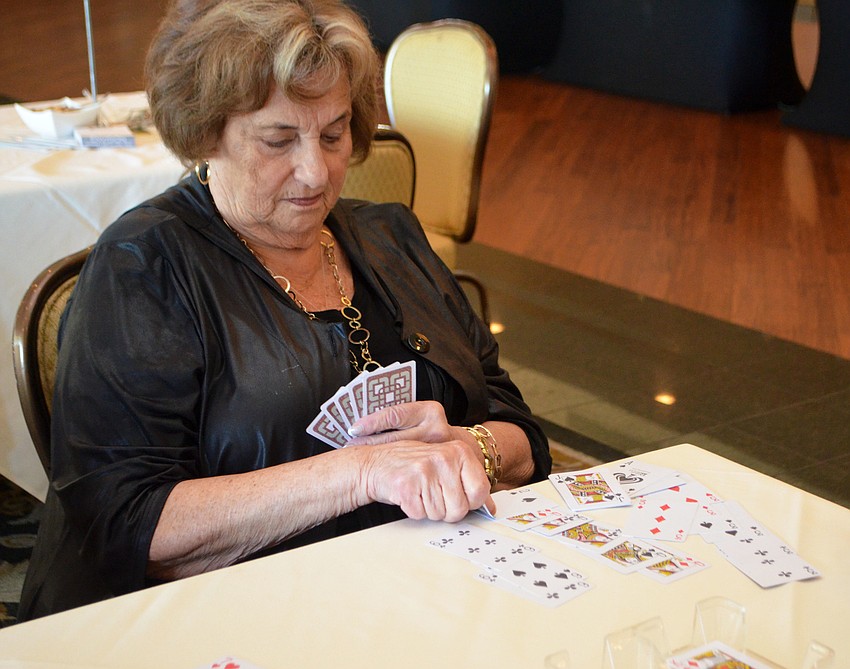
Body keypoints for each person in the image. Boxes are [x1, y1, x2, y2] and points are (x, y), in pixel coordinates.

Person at [19, 0, 550, 620]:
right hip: (224, 617)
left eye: (334, 134)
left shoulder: (392, 236)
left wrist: (471, 448)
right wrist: (360, 473)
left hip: (416, 594)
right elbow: (122, 522)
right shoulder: (147, 263)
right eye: (278, 139)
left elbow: (522, 431)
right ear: (206, 132)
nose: (316, 171)